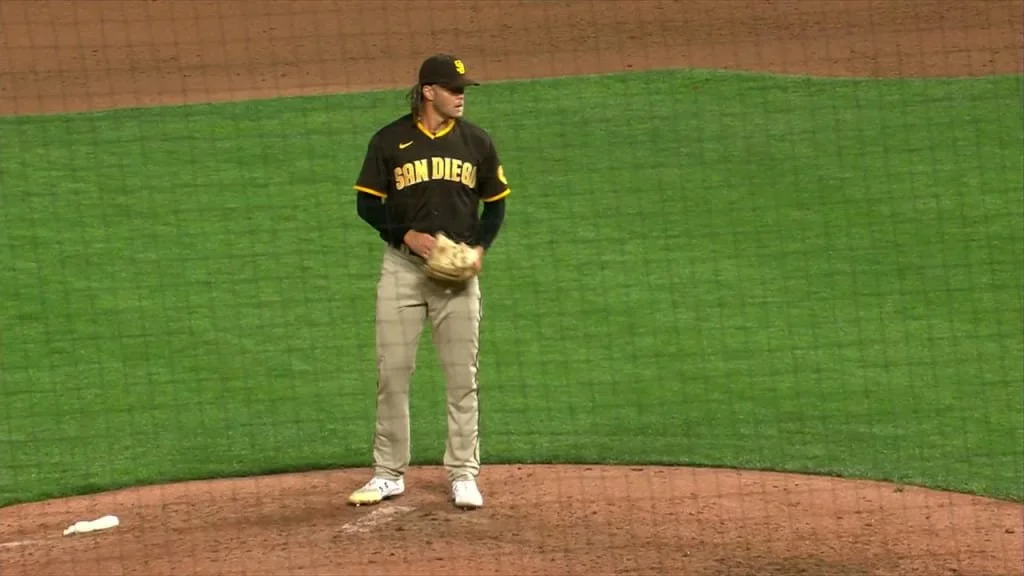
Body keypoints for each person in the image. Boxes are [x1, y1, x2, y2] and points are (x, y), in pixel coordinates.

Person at [348, 54, 510, 510]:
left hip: (456, 278)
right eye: (453, 88)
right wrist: (406, 234)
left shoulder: (476, 141)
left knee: (462, 377)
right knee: (392, 373)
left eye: (463, 89)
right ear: (428, 92)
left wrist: (479, 248)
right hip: (401, 270)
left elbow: (496, 204)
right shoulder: (389, 141)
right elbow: (366, 205)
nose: (461, 96)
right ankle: (388, 473)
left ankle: (463, 473)